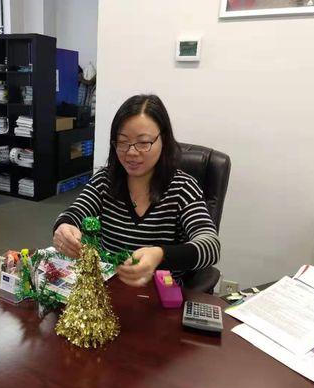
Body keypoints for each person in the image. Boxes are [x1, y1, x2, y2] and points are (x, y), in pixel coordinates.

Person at [53, 94, 220, 287]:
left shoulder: (182, 188)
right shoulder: (105, 180)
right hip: (107, 293)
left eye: (143, 142)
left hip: (161, 297)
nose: (131, 152)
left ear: (163, 140)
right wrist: (64, 227)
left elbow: (210, 245)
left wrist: (159, 255)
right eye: (122, 142)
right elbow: (74, 212)